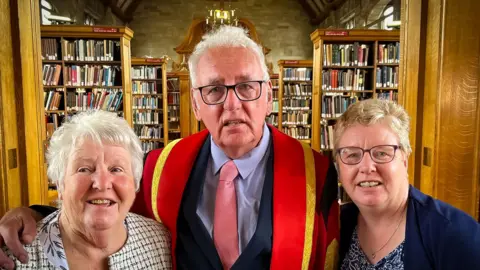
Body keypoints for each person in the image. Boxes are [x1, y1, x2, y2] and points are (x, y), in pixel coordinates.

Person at [0, 25, 339, 270]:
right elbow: (107, 209)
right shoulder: (160, 167)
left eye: (247, 87)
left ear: (268, 96)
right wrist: (34, 217)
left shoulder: (316, 174)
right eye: (215, 90)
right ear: (195, 104)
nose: (233, 105)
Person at [0, 110, 172, 269]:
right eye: (84, 169)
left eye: (116, 169)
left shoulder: (161, 244)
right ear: (60, 183)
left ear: (135, 183)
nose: (102, 183)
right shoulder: (13, 258)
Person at [335, 99, 480, 270]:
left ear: (405, 159)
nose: (367, 167)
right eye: (352, 155)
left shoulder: (457, 234)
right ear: (338, 165)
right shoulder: (335, 227)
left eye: (382, 153)